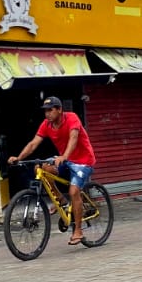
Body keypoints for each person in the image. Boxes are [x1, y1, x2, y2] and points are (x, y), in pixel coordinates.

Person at [8, 96, 97, 246]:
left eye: (50, 110)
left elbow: (73, 138)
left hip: (83, 161)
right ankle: (60, 200)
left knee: (74, 191)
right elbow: (33, 143)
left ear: (59, 110)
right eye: (45, 111)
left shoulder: (72, 118)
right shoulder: (46, 124)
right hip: (65, 159)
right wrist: (19, 157)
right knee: (41, 169)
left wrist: (64, 156)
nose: (47, 114)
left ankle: (78, 231)